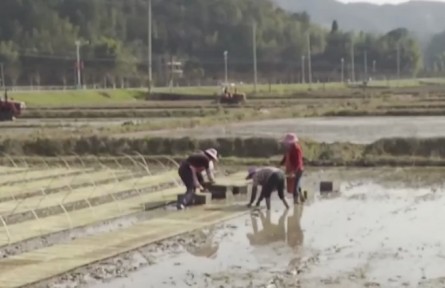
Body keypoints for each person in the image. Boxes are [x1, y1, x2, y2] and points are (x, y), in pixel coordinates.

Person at [279, 133, 305, 204]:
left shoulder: (296, 149)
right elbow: (285, 157)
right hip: (291, 169)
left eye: (287, 143)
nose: (286, 144)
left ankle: (296, 202)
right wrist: (280, 164)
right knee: (297, 184)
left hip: (297, 169)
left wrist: (294, 171)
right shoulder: (289, 149)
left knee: (295, 186)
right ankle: (301, 197)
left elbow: (298, 161)